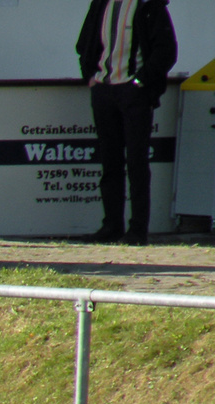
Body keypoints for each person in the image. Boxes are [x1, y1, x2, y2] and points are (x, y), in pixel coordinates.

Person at [76, 0, 177, 246]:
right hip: (104, 89)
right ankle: (111, 226)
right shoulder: (101, 4)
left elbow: (166, 51)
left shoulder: (149, 6)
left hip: (134, 93)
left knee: (136, 162)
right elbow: (84, 43)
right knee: (110, 161)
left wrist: (140, 82)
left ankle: (137, 230)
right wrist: (90, 76)